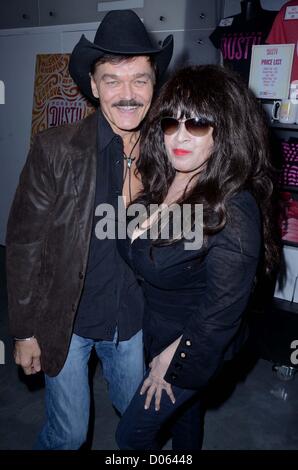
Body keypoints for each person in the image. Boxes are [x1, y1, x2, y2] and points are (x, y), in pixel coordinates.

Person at [5, 10, 173, 449]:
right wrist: (23, 332)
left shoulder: (171, 154)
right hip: (68, 319)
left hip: (133, 322)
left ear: (154, 84)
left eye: (139, 79)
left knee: (137, 422)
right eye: (112, 80)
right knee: (68, 434)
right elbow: (23, 244)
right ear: (94, 86)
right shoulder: (55, 149)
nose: (128, 94)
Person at [115, 64, 280, 450]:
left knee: (131, 435)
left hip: (194, 343)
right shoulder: (163, 181)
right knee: (185, 422)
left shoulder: (233, 208)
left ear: (225, 132)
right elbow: (133, 241)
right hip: (156, 331)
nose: (180, 136)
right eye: (172, 123)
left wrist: (176, 359)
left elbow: (223, 308)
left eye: (199, 124)